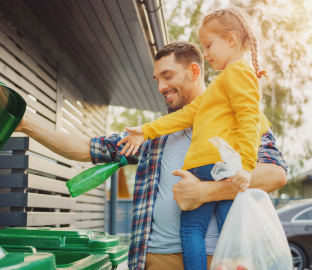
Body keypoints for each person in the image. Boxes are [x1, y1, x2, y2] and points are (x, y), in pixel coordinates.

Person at [15, 42, 287, 270]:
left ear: (194, 71)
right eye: (157, 80)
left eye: (168, 76)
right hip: (155, 259)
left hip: (217, 260)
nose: (160, 87)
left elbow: (275, 175)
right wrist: (27, 125)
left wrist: (205, 191)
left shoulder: (241, 117)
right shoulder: (153, 134)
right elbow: (88, 148)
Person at [117, 7, 281, 270]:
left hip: (205, 167)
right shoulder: (223, 81)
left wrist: (248, 166)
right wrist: (145, 130)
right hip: (216, 168)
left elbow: (249, 120)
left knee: (192, 229)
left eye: (208, 45)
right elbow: (188, 114)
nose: (205, 53)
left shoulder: (238, 73)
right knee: (232, 228)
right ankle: (235, 263)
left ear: (231, 40)